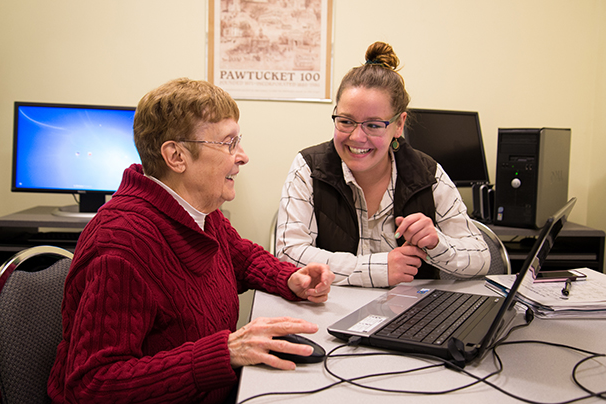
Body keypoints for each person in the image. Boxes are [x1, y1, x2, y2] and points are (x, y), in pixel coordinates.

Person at [47, 78, 335, 404]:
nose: (242, 156)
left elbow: (238, 256)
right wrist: (222, 354)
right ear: (176, 156)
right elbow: (93, 385)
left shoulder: (197, 211)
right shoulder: (120, 247)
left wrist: (289, 278)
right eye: (229, 143)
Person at [276, 41, 490, 288]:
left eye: (374, 125)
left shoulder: (427, 174)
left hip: (412, 315)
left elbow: (482, 257)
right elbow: (288, 254)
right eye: (346, 121)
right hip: (330, 311)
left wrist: (438, 243)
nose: (357, 137)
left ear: (399, 125)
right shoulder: (308, 168)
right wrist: (377, 270)